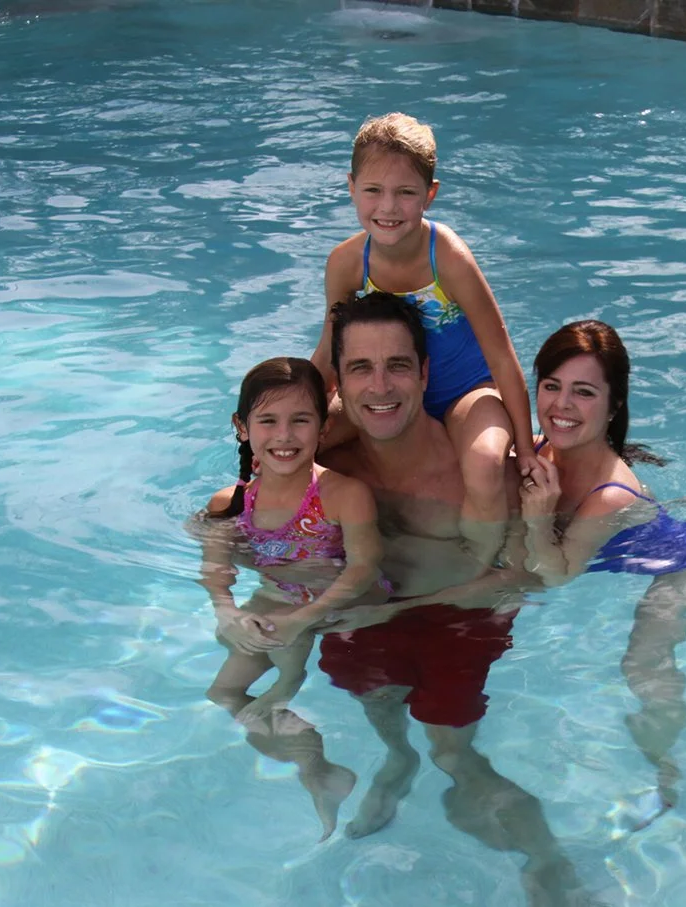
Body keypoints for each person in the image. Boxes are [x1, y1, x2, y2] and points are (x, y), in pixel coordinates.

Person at [291, 291, 589, 905]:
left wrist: (395, 610)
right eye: (360, 369)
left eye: (398, 365)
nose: (381, 386)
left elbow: (526, 577)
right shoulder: (333, 469)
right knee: (373, 695)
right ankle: (395, 759)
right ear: (339, 384)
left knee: (454, 754)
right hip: (369, 615)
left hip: (462, 622)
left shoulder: (484, 473)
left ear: (425, 374)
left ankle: (546, 864)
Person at [516, 319, 686, 815]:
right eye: (551, 386)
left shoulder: (610, 495)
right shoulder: (540, 446)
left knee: (641, 666)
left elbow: (556, 575)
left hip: (681, 566)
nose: (562, 405)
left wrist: (536, 518)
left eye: (584, 392)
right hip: (616, 541)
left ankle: (666, 763)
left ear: (613, 405)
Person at [312, 112, 534, 571]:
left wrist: (527, 451)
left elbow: (502, 355)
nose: (388, 207)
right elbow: (328, 354)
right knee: (304, 446)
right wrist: (295, 416)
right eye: (373, 190)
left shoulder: (447, 256)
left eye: (405, 193)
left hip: (466, 391)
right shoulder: (347, 262)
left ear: (430, 195)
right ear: (350, 187)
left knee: (486, 465)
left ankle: (482, 563)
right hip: (386, 387)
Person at [198, 356, 390, 839]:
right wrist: (227, 615)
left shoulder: (344, 494)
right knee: (222, 693)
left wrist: (306, 617)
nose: (284, 435)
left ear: (323, 427)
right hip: (279, 603)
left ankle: (291, 698)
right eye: (268, 420)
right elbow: (215, 573)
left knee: (282, 663)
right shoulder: (231, 503)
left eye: (300, 420)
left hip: (345, 605)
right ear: (242, 427)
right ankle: (313, 763)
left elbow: (365, 567)